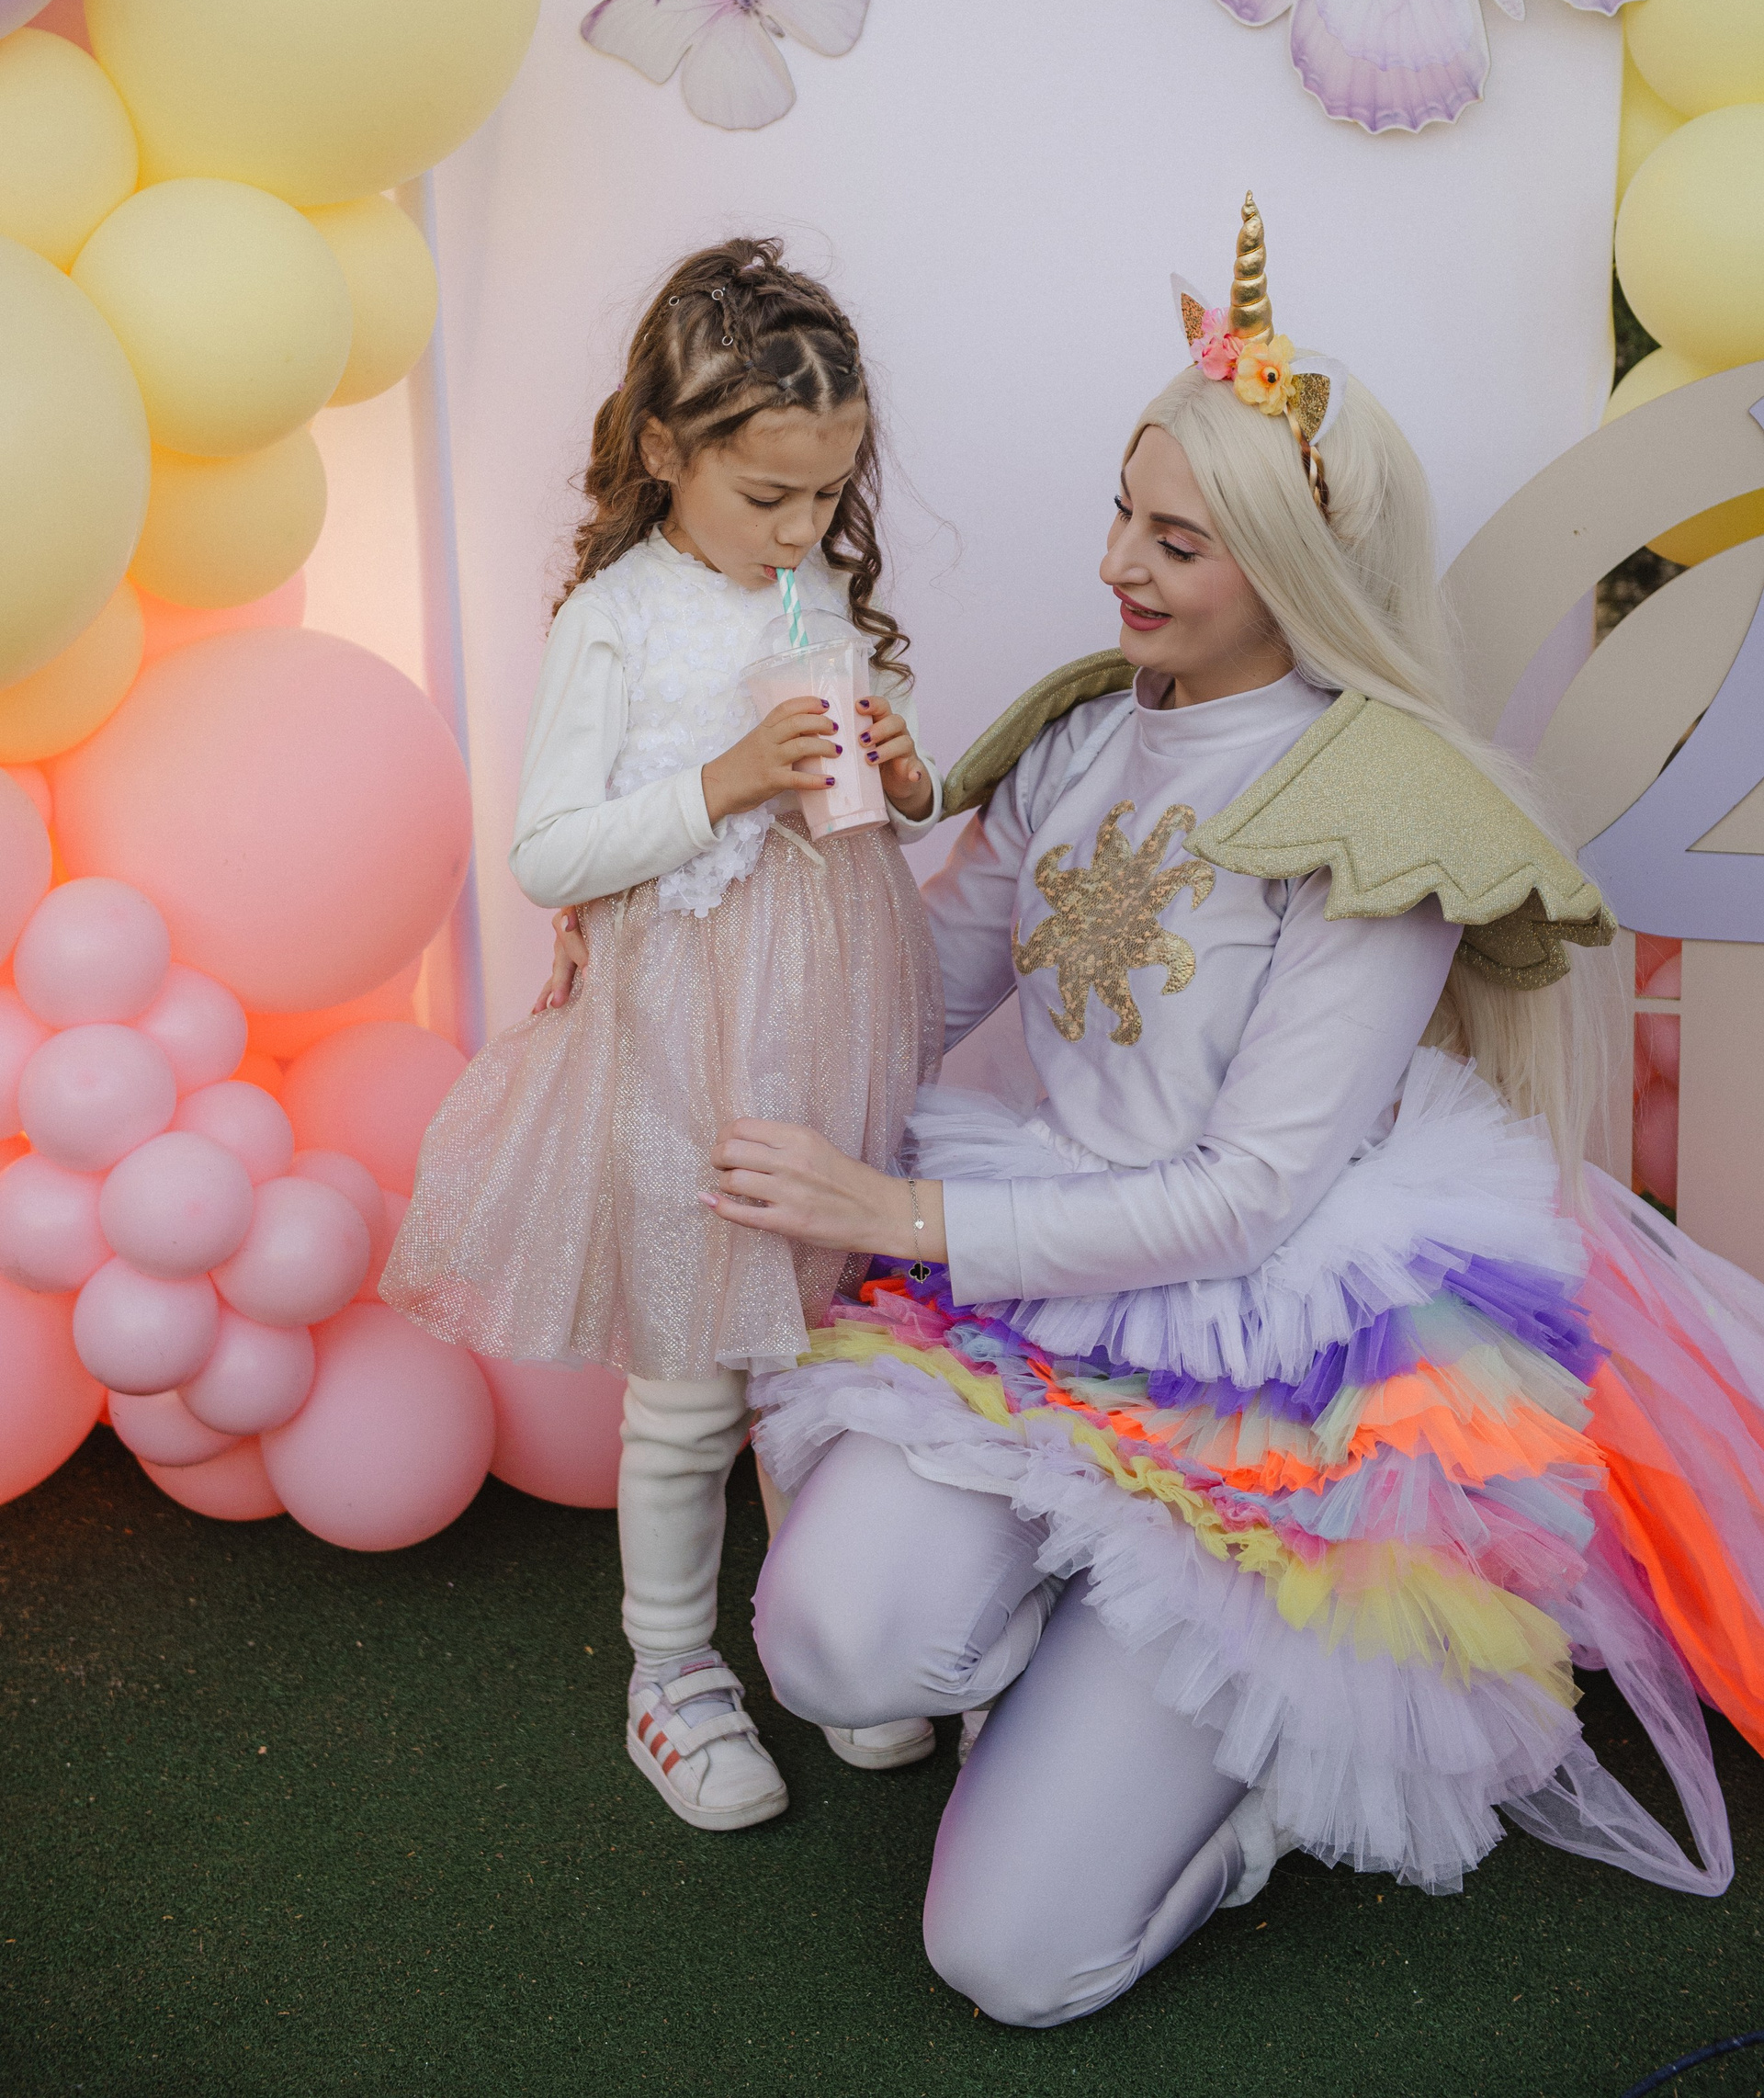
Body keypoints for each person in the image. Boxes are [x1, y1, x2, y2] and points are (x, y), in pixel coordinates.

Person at [708, 198, 1764, 2025]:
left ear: (1289, 566)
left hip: (1272, 1351)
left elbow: (1248, 1195)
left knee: (1011, 1964)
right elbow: (928, 983)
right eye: (1123, 512)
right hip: (1044, 1289)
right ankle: (1059, 1640)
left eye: (1176, 539)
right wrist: (762, 919)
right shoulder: (1079, 729)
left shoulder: (1381, 811)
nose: (1115, 561)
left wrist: (900, 1219)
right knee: (830, 1643)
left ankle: (1246, 1789)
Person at [380, 238, 946, 1831]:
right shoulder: (616, 621)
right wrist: (724, 781)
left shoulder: (814, 588)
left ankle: (825, 1635)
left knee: (824, 1363)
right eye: (767, 495)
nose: (804, 530)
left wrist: (904, 776)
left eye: (827, 495)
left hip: (832, 1023)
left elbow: (871, 818)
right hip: (684, 1054)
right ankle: (672, 1670)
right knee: (694, 1387)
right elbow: (550, 852)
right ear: (662, 451)